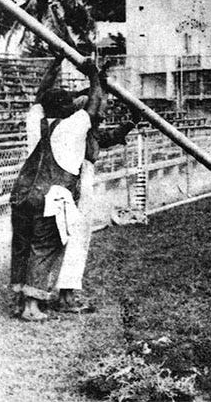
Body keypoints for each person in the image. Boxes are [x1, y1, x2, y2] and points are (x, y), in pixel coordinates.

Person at [9, 54, 103, 321]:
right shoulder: (72, 127)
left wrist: (55, 62)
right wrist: (94, 75)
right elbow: (94, 105)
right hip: (50, 197)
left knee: (22, 247)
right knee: (44, 247)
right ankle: (31, 307)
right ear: (63, 108)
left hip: (21, 194)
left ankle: (18, 300)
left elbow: (39, 95)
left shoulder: (35, 120)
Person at [55, 96, 141, 313]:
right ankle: (64, 295)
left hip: (83, 180)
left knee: (79, 238)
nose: (102, 115)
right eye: (99, 111)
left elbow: (107, 137)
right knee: (74, 238)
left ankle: (67, 292)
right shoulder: (75, 130)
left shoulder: (88, 130)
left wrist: (131, 123)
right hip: (75, 181)